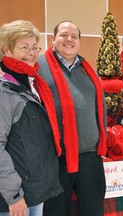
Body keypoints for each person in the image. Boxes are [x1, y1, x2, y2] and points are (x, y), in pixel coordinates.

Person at [37, 21, 107, 216]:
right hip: (56, 157)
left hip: (90, 156)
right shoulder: (39, 66)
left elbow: (99, 108)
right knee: (56, 211)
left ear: (79, 41)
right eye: (64, 35)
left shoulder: (87, 69)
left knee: (93, 210)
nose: (69, 40)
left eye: (74, 36)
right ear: (53, 39)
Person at [0, 20, 62, 216]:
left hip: (34, 190)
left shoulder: (32, 83)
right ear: (7, 50)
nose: (32, 53)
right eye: (24, 47)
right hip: (15, 197)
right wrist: (13, 196)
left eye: (35, 47)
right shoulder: (5, 90)